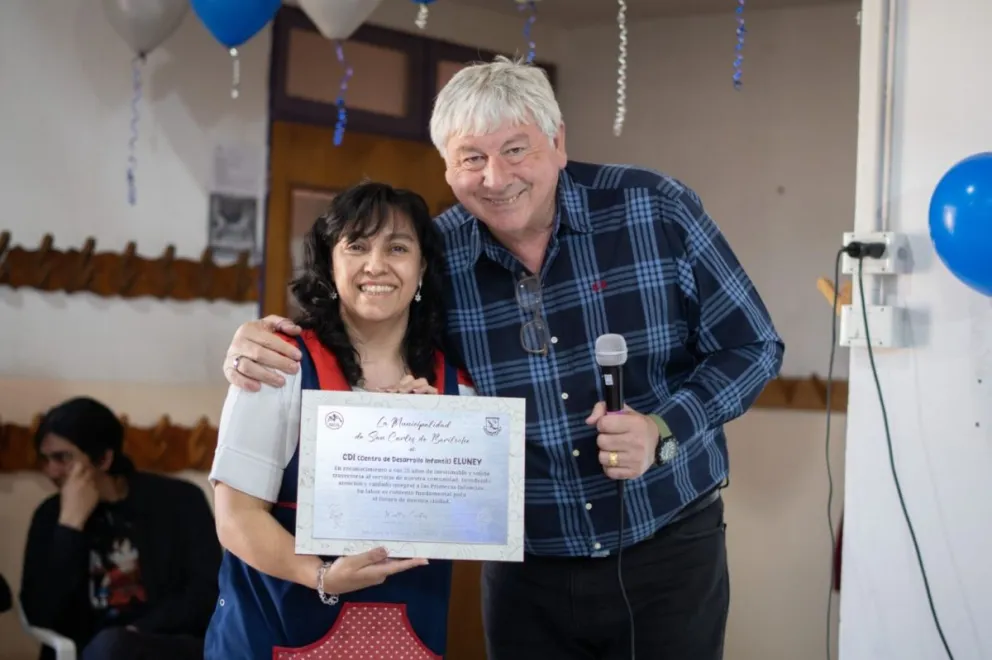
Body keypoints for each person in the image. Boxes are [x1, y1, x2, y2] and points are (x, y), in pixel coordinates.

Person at [220, 57, 784, 660]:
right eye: (471, 158)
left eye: (516, 149)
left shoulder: (655, 210)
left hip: (668, 545)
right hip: (526, 571)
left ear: (558, 142)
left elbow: (754, 346)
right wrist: (254, 340)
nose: (495, 177)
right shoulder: (437, 256)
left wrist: (663, 427)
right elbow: (366, 325)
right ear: (447, 166)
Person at [204, 182, 475, 659]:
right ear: (331, 263)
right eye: (357, 246)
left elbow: (474, 522)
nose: (377, 265)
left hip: (407, 640)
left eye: (397, 247)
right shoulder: (279, 364)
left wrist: (428, 438)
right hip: (277, 632)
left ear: (422, 267)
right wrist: (322, 575)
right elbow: (235, 516)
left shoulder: (457, 389)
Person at [20, 396, 220, 660]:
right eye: (45, 460)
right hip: (89, 650)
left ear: (103, 458)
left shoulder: (180, 501)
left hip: (166, 642)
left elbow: (207, 591)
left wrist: (138, 630)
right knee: (109, 647)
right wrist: (69, 527)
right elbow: (40, 614)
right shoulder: (50, 515)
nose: (51, 471)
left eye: (62, 458)